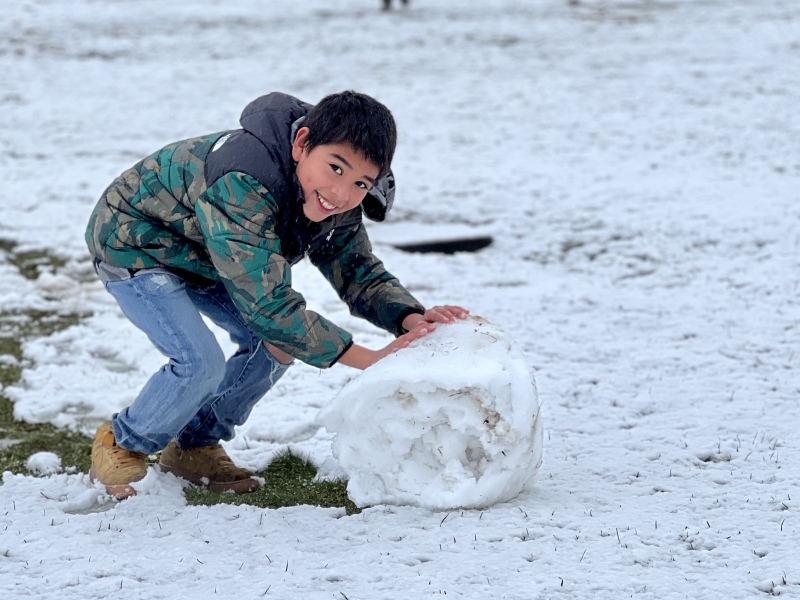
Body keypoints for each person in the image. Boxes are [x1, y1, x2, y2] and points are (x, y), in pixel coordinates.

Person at [85, 91, 468, 499]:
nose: (341, 193)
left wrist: (410, 318)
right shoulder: (244, 182)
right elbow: (269, 307)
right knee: (200, 361)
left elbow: (356, 269)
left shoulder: (336, 202)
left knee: (274, 346)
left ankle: (194, 445)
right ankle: (123, 441)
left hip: (212, 254)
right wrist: (368, 360)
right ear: (302, 144)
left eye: (360, 182)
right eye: (335, 168)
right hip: (136, 243)